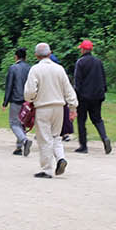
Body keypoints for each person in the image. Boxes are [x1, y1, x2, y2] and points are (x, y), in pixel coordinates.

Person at [23, 43, 77, 178]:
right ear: (50, 53)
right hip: (59, 107)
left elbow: (29, 91)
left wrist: (31, 99)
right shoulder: (59, 69)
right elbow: (68, 89)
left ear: (36, 55)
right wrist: (73, 107)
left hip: (43, 107)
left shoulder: (35, 69)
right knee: (56, 136)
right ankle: (60, 158)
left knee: (44, 139)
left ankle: (47, 169)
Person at [71, 39, 111, 154]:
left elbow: (78, 82)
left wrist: (75, 96)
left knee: (82, 121)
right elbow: (103, 78)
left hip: (83, 97)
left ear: (83, 50)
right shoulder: (98, 61)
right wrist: (103, 92)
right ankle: (104, 138)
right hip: (97, 96)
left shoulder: (80, 62)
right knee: (97, 119)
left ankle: (83, 146)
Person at [3, 48, 32, 156]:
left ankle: (24, 140)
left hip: (16, 99)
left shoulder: (13, 68)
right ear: (26, 57)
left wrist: (5, 102)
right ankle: (19, 148)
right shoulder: (30, 68)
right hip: (27, 100)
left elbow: (9, 85)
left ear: (16, 57)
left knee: (14, 123)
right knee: (22, 123)